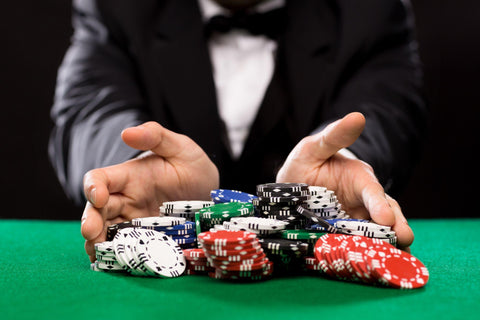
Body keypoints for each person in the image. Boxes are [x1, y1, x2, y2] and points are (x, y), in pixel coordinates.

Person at [49, 0, 427, 262]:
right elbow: (89, 108)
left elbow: (388, 109)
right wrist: (132, 164)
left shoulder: (372, 10)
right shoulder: (118, 6)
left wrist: (345, 158)